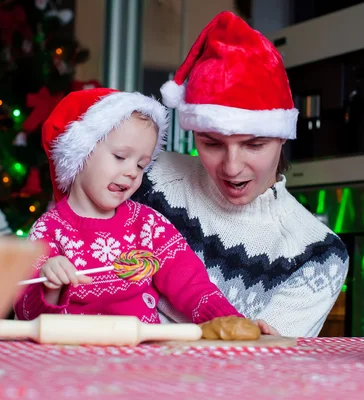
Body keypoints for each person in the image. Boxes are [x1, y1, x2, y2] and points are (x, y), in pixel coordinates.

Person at [132, 11, 349, 337]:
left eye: (253, 145)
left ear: (282, 136)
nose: (232, 167)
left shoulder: (317, 256)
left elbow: (252, 372)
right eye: (212, 144)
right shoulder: (148, 178)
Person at [13, 88, 277, 334]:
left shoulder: (148, 225)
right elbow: (26, 317)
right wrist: (50, 286)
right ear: (80, 153)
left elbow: (193, 287)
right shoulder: (48, 231)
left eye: (141, 165)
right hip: (73, 357)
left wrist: (233, 324)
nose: (131, 172)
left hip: (142, 357)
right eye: (120, 156)